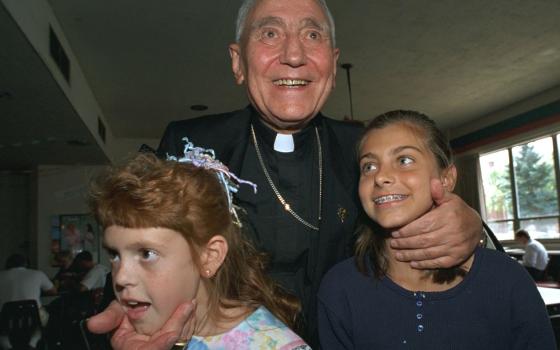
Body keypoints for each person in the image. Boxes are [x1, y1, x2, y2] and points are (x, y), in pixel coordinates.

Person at [88, 0, 483, 347]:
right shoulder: (189, 143)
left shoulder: (366, 151)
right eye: (271, 33)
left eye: (312, 35)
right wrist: (134, 302)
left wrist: (466, 224)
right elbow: (141, 247)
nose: (294, 54)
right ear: (238, 62)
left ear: (332, 57)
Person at [317, 110, 556, 349]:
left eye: (404, 160)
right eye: (369, 166)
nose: (381, 177)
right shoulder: (341, 289)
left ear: (446, 178)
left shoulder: (507, 280)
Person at [88, 150, 310, 349]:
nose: (121, 277)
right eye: (115, 255)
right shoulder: (140, 336)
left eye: (147, 253)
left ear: (209, 257)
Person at [0, 253, 58, 350]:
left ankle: (6, 345)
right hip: (33, 316)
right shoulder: (38, 274)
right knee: (43, 320)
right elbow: (53, 291)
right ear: (26, 264)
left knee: (2, 330)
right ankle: (33, 343)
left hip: (5, 317)